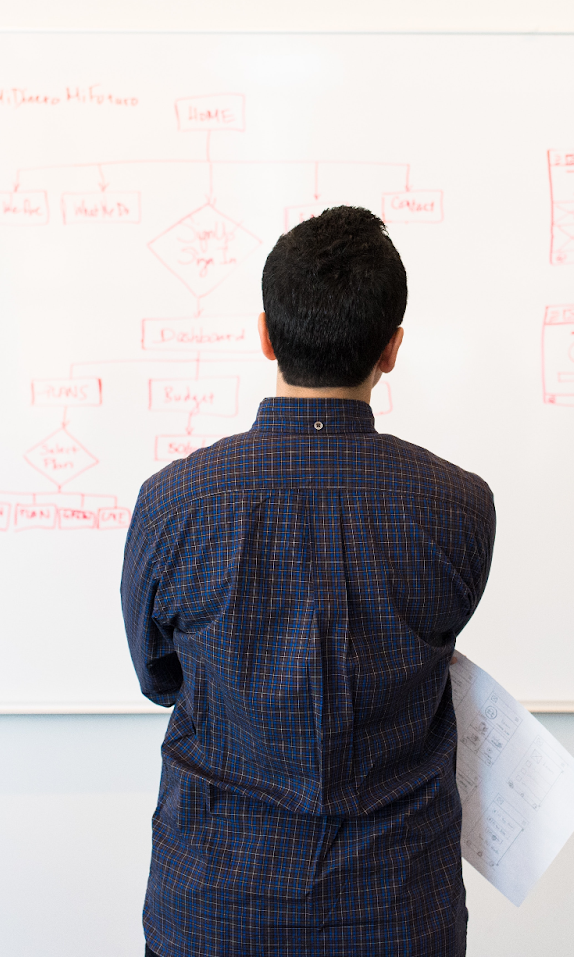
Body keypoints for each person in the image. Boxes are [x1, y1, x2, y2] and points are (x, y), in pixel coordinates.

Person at [121, 205, 497, 957]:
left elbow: (159, 677)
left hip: (216, 907)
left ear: (265, 334)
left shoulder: (173, 503)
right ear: (391, 350)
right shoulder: (458, 507)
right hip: (397, 912)